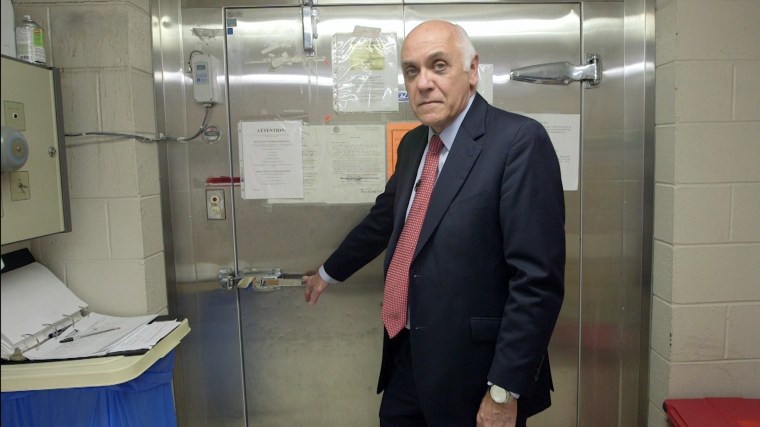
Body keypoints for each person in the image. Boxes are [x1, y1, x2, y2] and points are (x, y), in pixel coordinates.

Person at [302, 20, 565, 427]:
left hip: (478, 375)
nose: (423, 83)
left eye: (438, 65)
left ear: (472, 70)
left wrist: (503, 390)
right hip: (406, 359)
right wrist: (327, 273)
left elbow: (537, 280)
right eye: (412, 70)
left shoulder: (518, 142)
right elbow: (382, 220)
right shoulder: (414, 144)